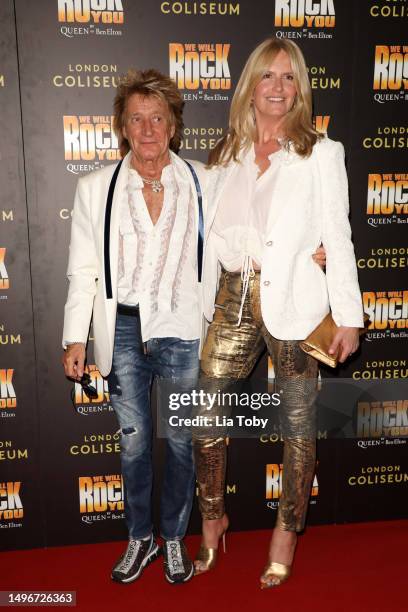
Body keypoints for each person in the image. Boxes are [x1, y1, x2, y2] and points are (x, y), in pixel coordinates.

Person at [193, 37, 364, 587]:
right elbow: (208, 235)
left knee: (297, 427)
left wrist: (350, 315)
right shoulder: (225, 156)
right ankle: (214, 516)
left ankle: (286, 531)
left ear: (301, 89)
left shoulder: (321, 154)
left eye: (290, 78)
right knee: (205, 415)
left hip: (294, 302)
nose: (278, 88)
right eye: (268, 76)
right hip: (231, 296)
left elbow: (337, 236)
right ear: (250, 85)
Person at [62, 69, 210, 585]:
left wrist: (310, 252)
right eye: (137, 120)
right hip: (123, 331)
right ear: (123, 128)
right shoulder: (94, 188)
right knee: (134, 444)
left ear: (173, 125)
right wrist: (75, 336)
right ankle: (140, 538)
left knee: (181, 442)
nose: (148, 130)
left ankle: (173, 538)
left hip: (185, 327)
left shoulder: (201, 181)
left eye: (158, 119)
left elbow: (245, 235)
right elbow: (83, 269)